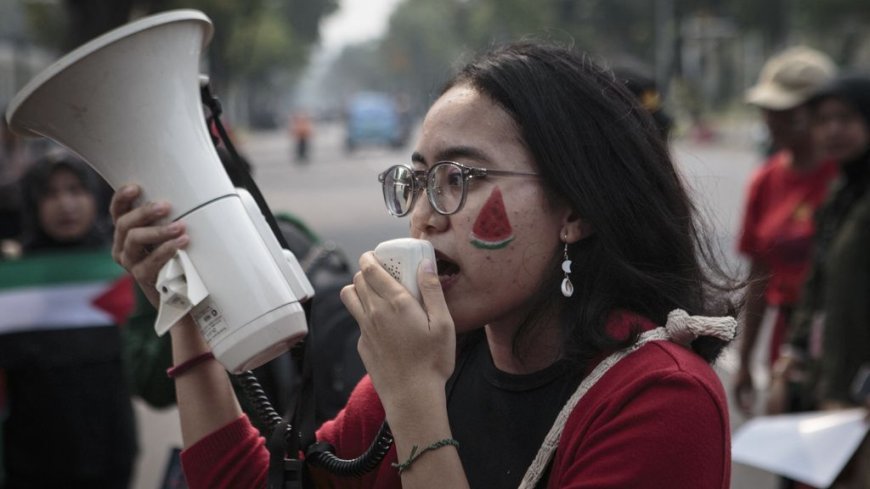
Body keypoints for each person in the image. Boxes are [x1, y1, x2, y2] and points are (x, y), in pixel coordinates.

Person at [110, 41, 738, 489]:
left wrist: (413, 400)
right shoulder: (445, 359)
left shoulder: (661, 398)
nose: (426, 217)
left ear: (574, 209)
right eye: (417, 182)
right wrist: (187, 310)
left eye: (459, 178)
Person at [0, 154, 137, 489]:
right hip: (29, 457)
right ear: (33, 202)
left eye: (75, 190)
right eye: (50, 193)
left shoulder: (122, 265)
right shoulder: (11, 277)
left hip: (110, 448)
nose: (66, 204)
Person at [769, 74, 870, 489]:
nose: (832, 130)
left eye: (845, 118)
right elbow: (819, 287)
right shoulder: (840, 194)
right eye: (823, 119)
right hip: (827, 388)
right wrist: (790, 357)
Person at [733, 46, 838, 417]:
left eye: (786, 114)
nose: (773, 122)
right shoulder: (765, 180)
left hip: (844, 336)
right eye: (769, 112)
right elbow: (759, 275)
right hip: (790, 339)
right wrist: (746, 361)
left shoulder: (849, 179)